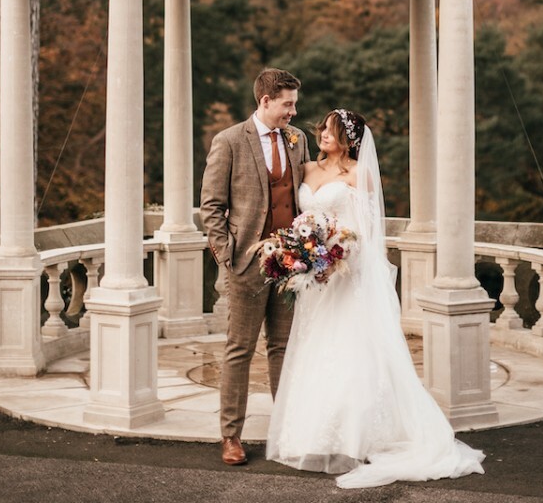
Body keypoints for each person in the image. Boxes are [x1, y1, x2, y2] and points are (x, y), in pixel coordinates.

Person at [266, 109, 485, 488]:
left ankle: (358, 434)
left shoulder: (359, 173)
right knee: (314, 347)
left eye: (331, 131)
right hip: (314, 279)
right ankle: (311, 433)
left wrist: (335, 257)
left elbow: (365, 231)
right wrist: (301, 254)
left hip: (347, 274)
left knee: (351, 349)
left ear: (349, 138)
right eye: (322, 129)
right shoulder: (308, 171)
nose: (323, 135)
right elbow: (299, 218)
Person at [200, 68, 310, 466]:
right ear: (265, 101)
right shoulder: (229, 141)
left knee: (282, 350)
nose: (293, 113)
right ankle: (231, 437)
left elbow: (302, 199)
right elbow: (210, 206)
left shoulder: (298, 141)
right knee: (239, 351)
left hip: (290, 265)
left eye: (294, 104)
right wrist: (226, 255)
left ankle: (287, 431)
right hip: (246, 263)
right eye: (288, 104)